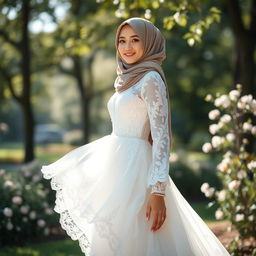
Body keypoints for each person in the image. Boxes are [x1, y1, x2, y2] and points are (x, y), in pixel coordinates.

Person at [41, 17, 230, 256]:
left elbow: (162, 137)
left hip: (138, 171)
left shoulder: (150, 78)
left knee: (138, 238)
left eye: (135, 40)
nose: (127, 47)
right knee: (111, 238)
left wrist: (158, 191)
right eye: (122, 41)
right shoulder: (126, 79)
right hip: (116, 168)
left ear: (149, 43)